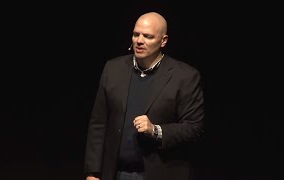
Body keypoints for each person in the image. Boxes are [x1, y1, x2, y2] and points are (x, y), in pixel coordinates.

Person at [84, 11, 204, 180]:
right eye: (136, 34)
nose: (139, 41)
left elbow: (194, 128)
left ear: (163, 41)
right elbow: (98, 123)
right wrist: (93, 172)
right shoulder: (113, 69)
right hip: (116, 173)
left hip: (159, 173)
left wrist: (156, 130)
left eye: (148, 36)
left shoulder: (185, 76)